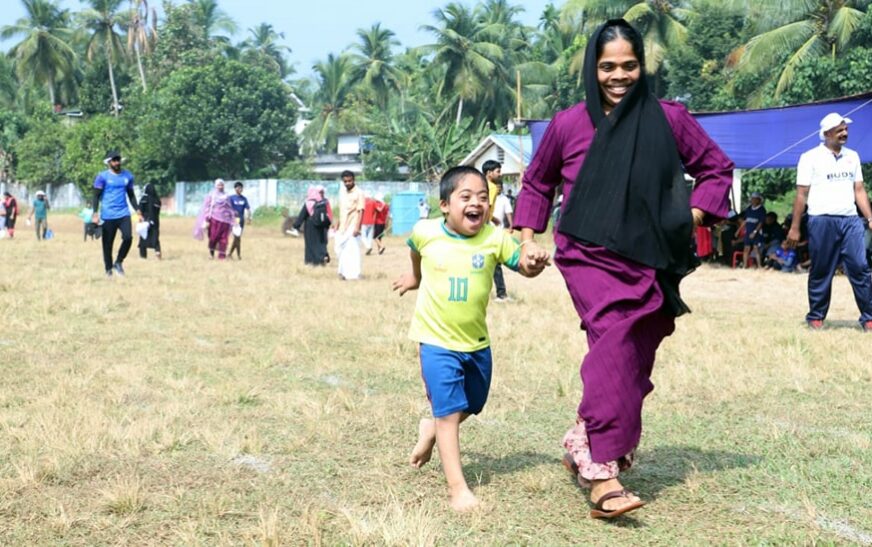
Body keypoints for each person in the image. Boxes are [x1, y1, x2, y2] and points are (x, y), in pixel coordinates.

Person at [512, 19, 733, 519]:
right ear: (593, 69)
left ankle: (584, 437)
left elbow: (716, 168)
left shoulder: (670, 119)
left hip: (649, 256)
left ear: (642, 67)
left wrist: (691, 215)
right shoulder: (568, 124)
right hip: (586, 254)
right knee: (614, 343)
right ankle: (602, 472)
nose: (618, 76)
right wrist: (527, 239)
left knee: (631, 356)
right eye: (607, 66)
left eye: (628, 66)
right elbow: (537, 183)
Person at [392, 166, 547, 512]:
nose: (476, 203)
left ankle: (429, 428)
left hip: (476, 343)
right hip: (435, 341)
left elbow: (521, 265)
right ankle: (458, 490)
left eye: (482, 197)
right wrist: (416, 277)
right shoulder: (425, 231)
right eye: (466, 197)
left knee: (472, 404)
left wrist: (533, 262)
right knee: (449, 413)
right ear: (445, 205)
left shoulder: (494, 237)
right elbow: (415, 249)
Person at [787, 112, 872, 331]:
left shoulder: (852, 156)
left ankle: (869, 317)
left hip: (851, 220)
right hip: (821, 220)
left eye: (845, 129)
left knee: (860, 267)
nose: (844, 133)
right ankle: (816, 316)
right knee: (822, 270)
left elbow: (859, 191)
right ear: (826, 134)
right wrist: (795, 227)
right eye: (839, 130)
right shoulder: (809, 157)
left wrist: (870, 217)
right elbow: (801, 195)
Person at [92, 151, 140, 276]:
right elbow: (95, 196)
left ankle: (118, 262)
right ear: (109, 162)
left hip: (123, 213)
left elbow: (131, 196)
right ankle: (108, 270)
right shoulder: (102, 177)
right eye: (114, 160)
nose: (117, 162)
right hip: (107, 215)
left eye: (118, 159)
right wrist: (95, 213)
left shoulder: (127, 176)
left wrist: (138, 210)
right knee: (107, 244)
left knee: (128, 238)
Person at [483, 160, 511, 302]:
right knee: (494, 260)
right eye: (498, 171)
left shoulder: (481, 184)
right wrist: (489, 222)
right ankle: (501, 294)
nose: (500, 174)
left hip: (481, 226)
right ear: (489, 173)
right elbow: (485, 208)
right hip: (484, 228)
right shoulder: (491, 187)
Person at [193, 179, 238, 260]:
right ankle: (211, 254)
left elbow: (229, 208)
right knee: (213, 237)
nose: (220, 187)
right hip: (214, 220)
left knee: (224, 239)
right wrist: (206, 218)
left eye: (222, 185)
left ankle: (222, 256)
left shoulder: (226, 196)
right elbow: (207, 207)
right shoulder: (211, 195)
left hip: (225, 221)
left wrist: (233, 218)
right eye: (218, 185)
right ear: (215, 186)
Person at [333, 170, 365, 280]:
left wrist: (357, 227)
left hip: (353, 225)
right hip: (342, 226)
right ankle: (343, 272)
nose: (347, 183)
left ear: (353, 180)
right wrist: (337, 223)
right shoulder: (342, 192)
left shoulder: (359, 193)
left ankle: (354, 274)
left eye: (349, 181)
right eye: (345, 181)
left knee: (352, 250)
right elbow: (342, 210)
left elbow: (361, 211)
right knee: (339, 249)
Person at [292, 185, 332, 266]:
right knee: (320, 244)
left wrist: (296, 226)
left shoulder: (308, 203)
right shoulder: (322, 202)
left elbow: (301, 216)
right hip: (321, 227)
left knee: (310, 245)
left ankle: (310, 261)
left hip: (310, 228)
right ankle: (321, 259)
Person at [738, 192, 766, 268]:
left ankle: (759, 266)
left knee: (756, 248)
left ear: (758, 200)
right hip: (748, 231)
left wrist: (755, 232)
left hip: (756, 233)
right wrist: (738, 230)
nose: (752, 201)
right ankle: (744, 265)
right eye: (752, 199)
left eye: (754, 199)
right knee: (746, 248)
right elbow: (745, 221)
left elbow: (761, 223)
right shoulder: (749, 209)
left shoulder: (761, 210)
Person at [137, 182, 162, 259]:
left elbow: (140, 210)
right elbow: (158, 211)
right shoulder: (157, 200)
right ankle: (157, 252)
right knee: (155, 237)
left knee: (143, 238)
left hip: (145, 221)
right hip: (155, 221)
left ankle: (143, 256)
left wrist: (140, 217)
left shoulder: (144, 199)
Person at [227, 181, 251, 260]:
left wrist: (248, 217)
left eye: (241, 188)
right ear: (235, 189)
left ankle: (231, 254)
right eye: (238, 187)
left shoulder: (244, 199)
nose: (240, 189)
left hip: (241, 220)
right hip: (234, 219)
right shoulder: (231, 198)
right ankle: (238, 255)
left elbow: (248, 209)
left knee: (238, 237)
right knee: (237, 237)